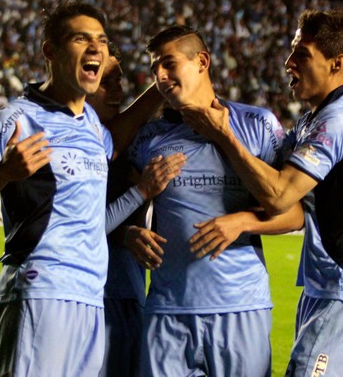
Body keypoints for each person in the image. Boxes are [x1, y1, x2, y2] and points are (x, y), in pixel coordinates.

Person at [0, 0, 158, 376]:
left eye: (101, 40)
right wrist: (3, 173)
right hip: (40, 291)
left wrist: (163, 87)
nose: (96, 48)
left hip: (91, 297)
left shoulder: (90, 122)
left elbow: (118, 136)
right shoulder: (17, 118)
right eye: (81, 39)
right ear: (50, 51)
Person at [181, 8, 343, 376]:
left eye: (302, 54)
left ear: (337, 63)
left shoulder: (339, 121)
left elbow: (278, 195)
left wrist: (223, 134)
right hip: (334, 290)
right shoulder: (319, 118)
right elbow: (276, 178)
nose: (288, 63)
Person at [123, 25, 304, 377]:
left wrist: (243, 222)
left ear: (202, 61)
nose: (158, 76)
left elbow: (295, 214)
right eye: (154, 68)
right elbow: (116, 208)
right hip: (168, 309)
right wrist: (130, 232)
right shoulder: (148, 137)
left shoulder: (258, 125)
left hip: (240, 307)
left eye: (168, 64)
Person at [86, 45, 185, 377]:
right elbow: (78, 226)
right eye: (106, 81)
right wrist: (126, 230)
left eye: (119, 80)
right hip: (88, 300)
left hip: (132, 295)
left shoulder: (141, 142)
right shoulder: (67, 143)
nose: (117, 90)